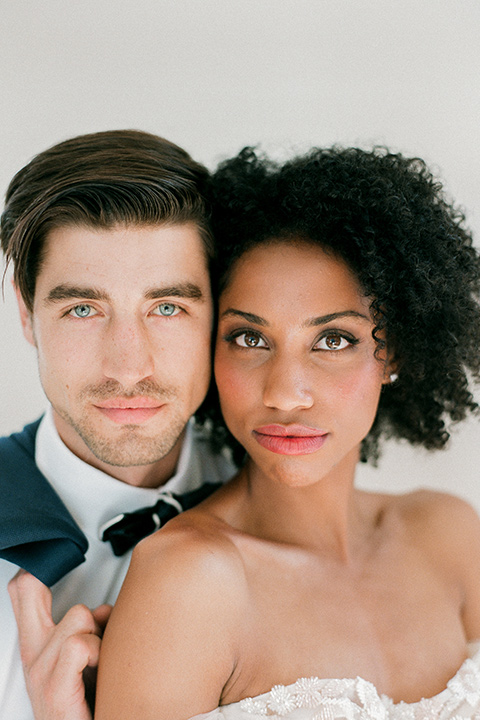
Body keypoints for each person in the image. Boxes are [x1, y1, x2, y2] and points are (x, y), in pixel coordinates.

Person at [95, 146, 480, 719]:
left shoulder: (448, 534)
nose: (284, 392)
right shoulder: (188, 582)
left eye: (333, 340)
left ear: (392, 351)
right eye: (250, 339)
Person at [0, 129, 235, 720]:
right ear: (27, 315)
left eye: (167, 307)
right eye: (83, 308)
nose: (129, 366)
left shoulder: (275, 489)